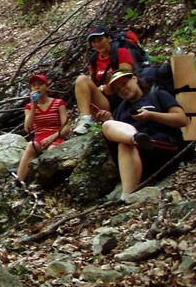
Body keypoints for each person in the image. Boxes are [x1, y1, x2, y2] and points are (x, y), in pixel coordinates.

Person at [95, 70, 188, 200]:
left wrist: (151, 115)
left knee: (125, 143)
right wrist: (109, 119)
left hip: (161, 147)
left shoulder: (157, 95)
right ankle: (127, 196)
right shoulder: (120, 110)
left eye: (124, 83)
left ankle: (137, 139)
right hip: (137, 159)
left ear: (134, 79)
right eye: (118, 89)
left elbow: (182, 120)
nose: (123, 89)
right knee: (110, 128)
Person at [71, 25, 134, 134]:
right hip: (106, 100)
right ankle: (86, 119)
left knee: (83, 80)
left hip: (121, 96)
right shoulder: (94, 60)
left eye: (100, 39)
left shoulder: (120, 52)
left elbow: (125, 76)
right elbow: (94, 84)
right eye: (94, 42)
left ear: (108, 38)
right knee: (81, 80)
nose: (98, 44)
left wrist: (107, 87)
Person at [16, 74, 69, 182]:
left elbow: (66, 127)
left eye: (40, 84)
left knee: (52, 149)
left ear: (47, 87)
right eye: (34, 85)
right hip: (39, 138)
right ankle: (18, 181)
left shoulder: (58, 103)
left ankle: (51, 181)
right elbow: (27, 128)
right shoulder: (29, 107)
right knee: (31, 145)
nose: (37, 87)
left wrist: (52, 138)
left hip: (56, 136)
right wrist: (34, 106)